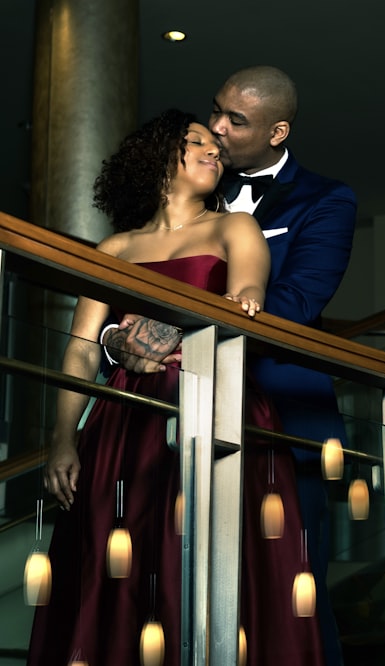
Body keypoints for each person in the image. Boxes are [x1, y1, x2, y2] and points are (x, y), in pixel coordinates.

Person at [29, 109, 325, 665]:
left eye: (217, 146)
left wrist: (164, 331)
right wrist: (64, 437)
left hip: (215, 406)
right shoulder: (114, 248)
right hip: (123, 423)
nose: (215, 151)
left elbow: (244, 301)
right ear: (161, 157)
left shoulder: (233, 227)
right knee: (119, 562)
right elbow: (81, 347)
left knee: (211, 562)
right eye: (198, 143)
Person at [102, 66, 356, 665]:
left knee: (294, 603)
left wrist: (180, 326)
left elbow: (293, 306)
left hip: (279, 426)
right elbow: (121, 296)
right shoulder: (189, 189)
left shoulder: (325, 199)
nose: (215, 128)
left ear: (278, 131)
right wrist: (116, 339)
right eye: (214, 110)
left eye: (235, 121)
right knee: (158, 591)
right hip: (165, 426)